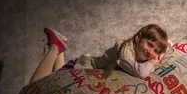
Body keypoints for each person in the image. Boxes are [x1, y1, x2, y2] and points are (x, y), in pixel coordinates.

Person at [29, 24, 171, 84]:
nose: (150, 52)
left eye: (155, 51)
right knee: (37, 86)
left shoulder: (138, 53)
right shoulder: (126, 50)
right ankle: (54, 47)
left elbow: (169, 44)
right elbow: (141, 73)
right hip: (81, 68)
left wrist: (164, 49)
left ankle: (60, 49)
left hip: (85, 74)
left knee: (55, 83)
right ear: (138, 38)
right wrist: (153, 61)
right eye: (149, 45)